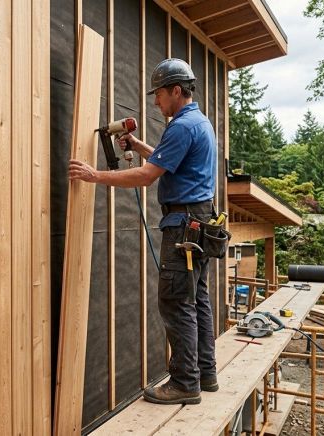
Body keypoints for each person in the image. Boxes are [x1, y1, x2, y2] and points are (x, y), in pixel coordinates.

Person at [68, 58, 218, 405]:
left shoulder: (182, 126)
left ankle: (184, 383)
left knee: (175, 300)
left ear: (176, 91)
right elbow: (165, 162)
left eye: (159, 94)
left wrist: (95, 176)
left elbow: (147, 176)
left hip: (184, 227)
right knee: (196, 298)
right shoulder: (199, 122)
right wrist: (137, 146)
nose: (155, 102)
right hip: (200, 223)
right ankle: (205, 373)